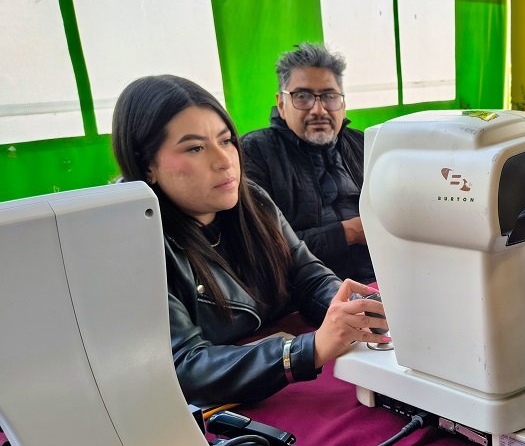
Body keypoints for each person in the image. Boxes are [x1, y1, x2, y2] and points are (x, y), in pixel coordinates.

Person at [111, 75, 388, 406]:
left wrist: (354, 311)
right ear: (147, 165)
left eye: (226, 141)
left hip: (271, 378)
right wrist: (307, 350)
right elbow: (184, 366)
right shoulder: (130, 238)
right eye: (195, 147)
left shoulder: (252, 200)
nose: (223, 160)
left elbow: (307, 277)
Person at [242, 43, 375, 284]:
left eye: (329, 96)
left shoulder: (363, 143)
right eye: (302, 96)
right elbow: (262, 248)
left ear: (343, 103)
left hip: (382, 277)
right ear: (281, 104)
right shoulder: (255, 152)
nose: (319, 109)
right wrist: (349, 233)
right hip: (304, 294)